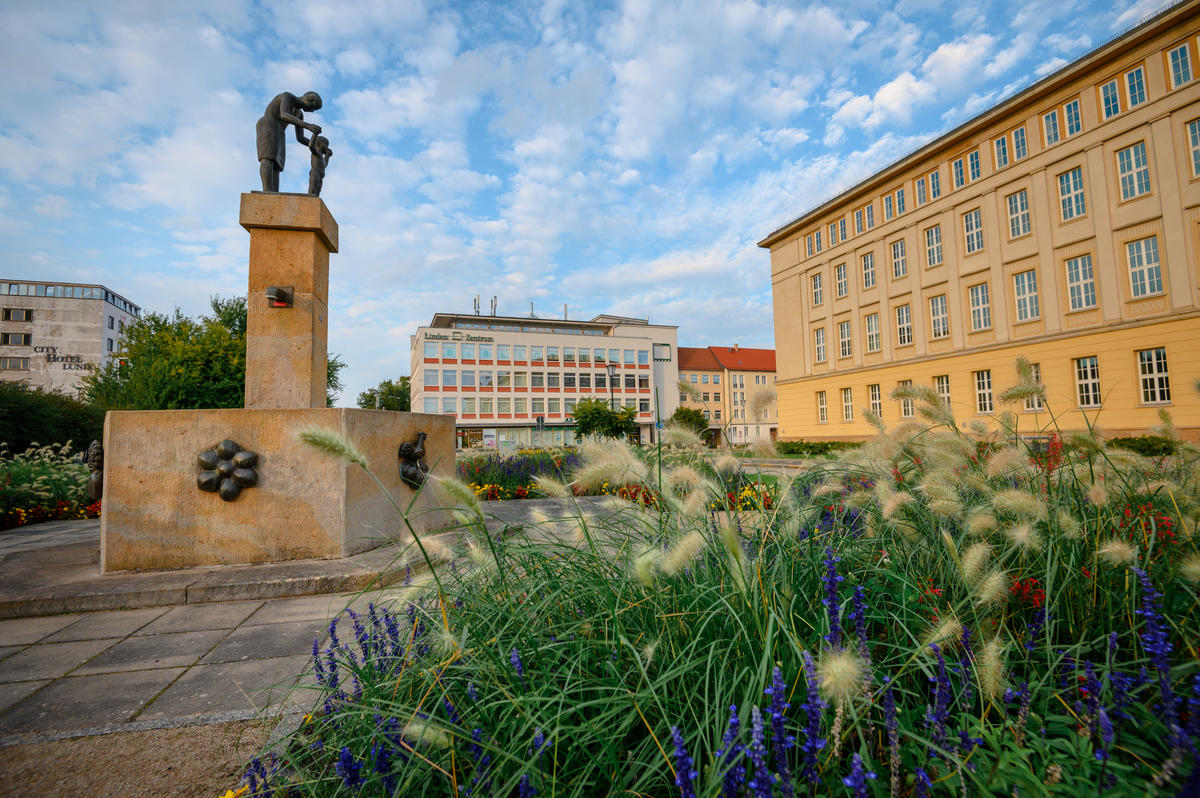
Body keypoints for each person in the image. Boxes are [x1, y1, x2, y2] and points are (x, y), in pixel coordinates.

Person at [256, 92, 323, 192]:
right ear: (309, 101)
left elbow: (300, 138)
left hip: (280, 131)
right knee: (268, 158)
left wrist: (316, 143)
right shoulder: (287, 97)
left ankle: (274, 192)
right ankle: (267, 191)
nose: (312, 111)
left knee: (277, 164)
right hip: (268, 124)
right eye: (313, 107)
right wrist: (308, 126)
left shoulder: (299, 114)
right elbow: (284, 115)